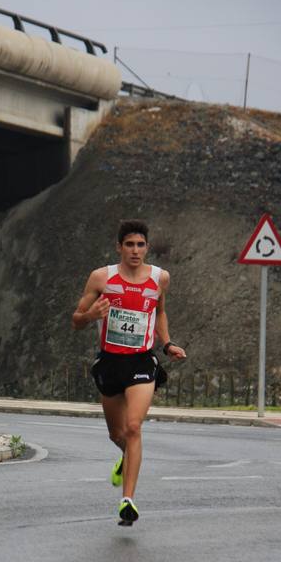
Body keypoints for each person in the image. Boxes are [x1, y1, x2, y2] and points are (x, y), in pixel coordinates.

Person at [72, 219, 186, 525]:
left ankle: (128, 500)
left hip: (141, 362)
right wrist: (90, 314)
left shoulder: (160, 278)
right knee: (117, 433)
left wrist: (167, 344)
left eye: (140, 245)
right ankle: (127, 456)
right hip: (110, 362)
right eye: (129, 245)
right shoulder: (101, 278)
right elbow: (76, 319)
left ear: (147, 247)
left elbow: (159, 312)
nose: (135, 251)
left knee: (134, 427)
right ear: (119, 247)